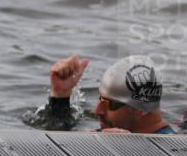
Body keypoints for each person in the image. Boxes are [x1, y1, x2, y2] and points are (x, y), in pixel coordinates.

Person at [29, 54, 178, 134]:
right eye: (101, 99)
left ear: (142, 108)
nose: (97, 111)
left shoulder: (177, 152)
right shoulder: (109, 133)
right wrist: (60, 95)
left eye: (109, 103)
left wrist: (131, 150)